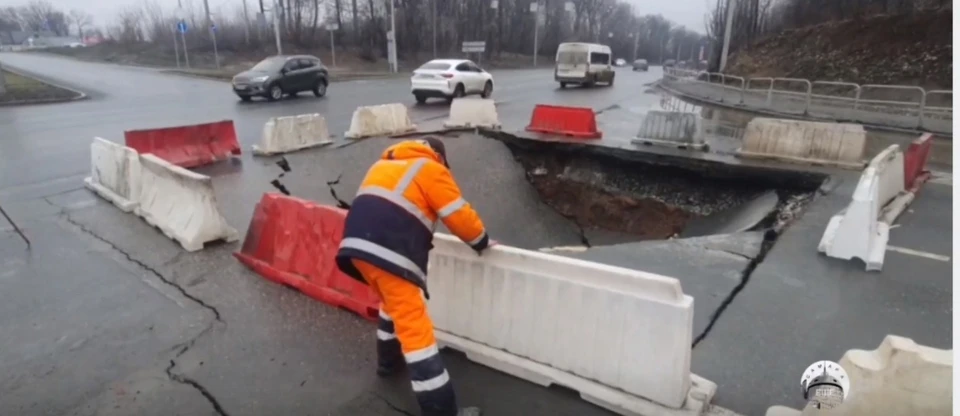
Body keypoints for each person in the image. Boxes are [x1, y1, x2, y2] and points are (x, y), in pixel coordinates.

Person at [336, 136, 493, 416]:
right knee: (416, 332)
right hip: (388, 252)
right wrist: (481, 241)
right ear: (440, 157)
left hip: (356, 249)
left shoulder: (383, 164)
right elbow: (459, 216)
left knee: (391, 304)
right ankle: (442, 410)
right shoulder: (431, 169)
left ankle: (388, 364)